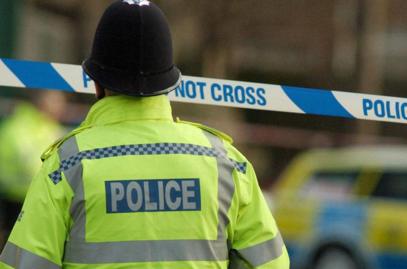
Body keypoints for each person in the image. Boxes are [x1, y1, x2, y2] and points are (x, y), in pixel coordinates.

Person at [0, 1, 290, 268]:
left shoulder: (65, 167)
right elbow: (272, 264)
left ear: (96, 83)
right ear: (169, 83)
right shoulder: (226, 164)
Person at [0, 91, 66, 247]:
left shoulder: (50, 127)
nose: (61, 108)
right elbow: (30, 164)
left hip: (33, 195)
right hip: (18, 196)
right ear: (42, 103)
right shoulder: (23, 126)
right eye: (57, 102)